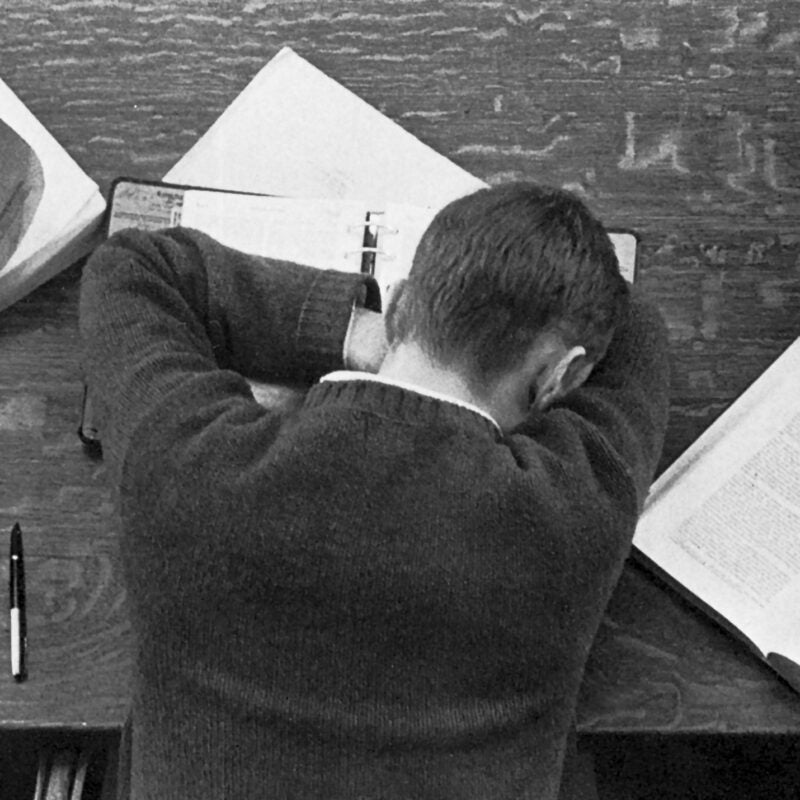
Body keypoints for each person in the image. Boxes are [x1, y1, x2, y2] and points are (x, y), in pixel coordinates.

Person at [80, 182, 670, 800]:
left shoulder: (189, 469)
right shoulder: (574, 512)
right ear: (562, 376)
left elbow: (131, 268)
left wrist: (346, 327)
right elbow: (640, 333)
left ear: (399, 307)